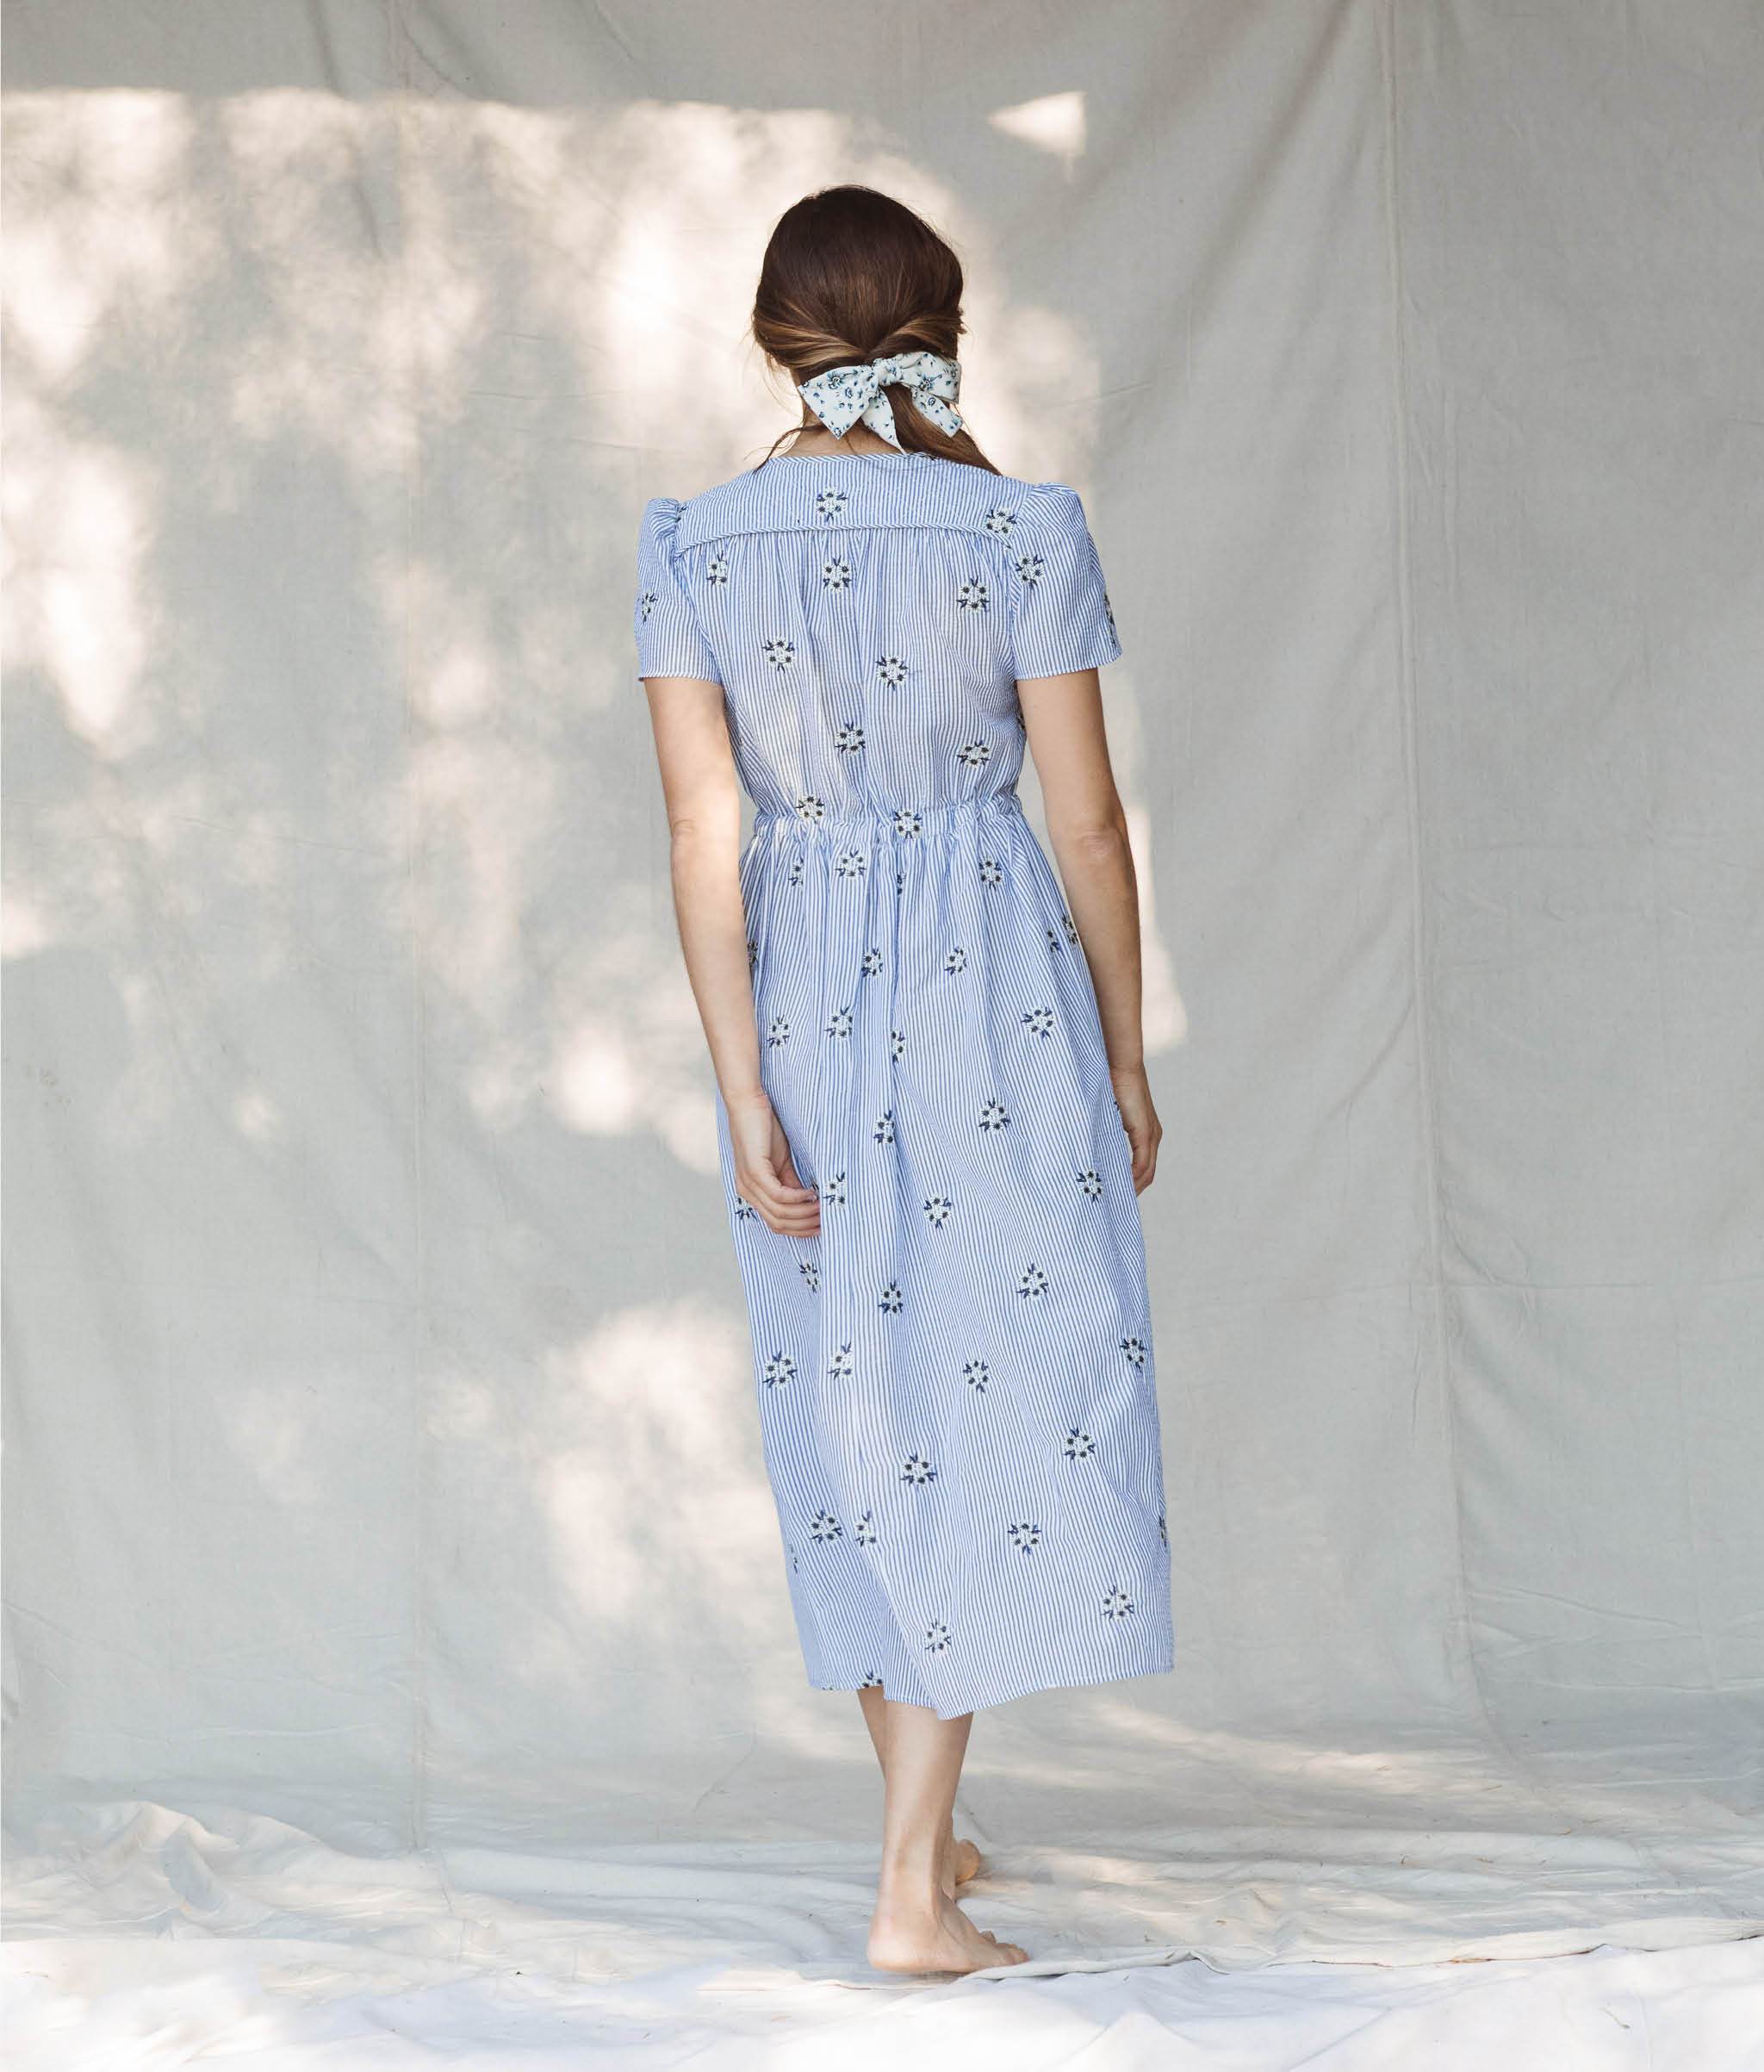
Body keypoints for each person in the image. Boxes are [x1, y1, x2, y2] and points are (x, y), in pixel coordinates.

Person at [635, 184, 1172, 1977]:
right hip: (992, 995)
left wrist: (740, 1087)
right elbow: (1086, 826)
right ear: (941, 329)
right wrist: (1122, 1051)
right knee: (986, 1383)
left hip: (796, 989)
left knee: (855, 1396)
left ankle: (925, 1833)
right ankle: (907, 1898)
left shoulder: (695, 541)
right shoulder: (1019, 528)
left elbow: (701, 835)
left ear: (771, 340)